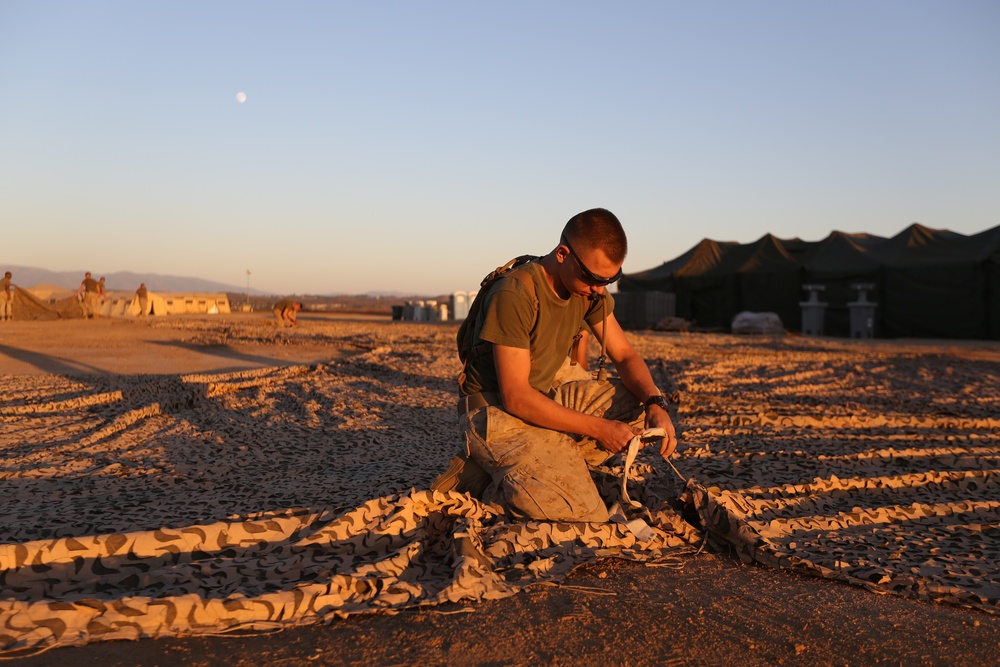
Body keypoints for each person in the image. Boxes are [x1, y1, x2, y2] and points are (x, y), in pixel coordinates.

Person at [431, 208, 677, 523]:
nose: (599, 289)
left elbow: (625, 355)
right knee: (587, 516)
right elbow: (516, 398)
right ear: (563, 254)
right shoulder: (516, 293)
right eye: (593, 278)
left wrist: (656, 403)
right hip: (497, 417)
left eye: (610, 280)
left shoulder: (586, 292)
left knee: (642, 402)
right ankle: (489, 485)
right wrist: (599, 428)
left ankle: (553, 463)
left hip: (544, 403)